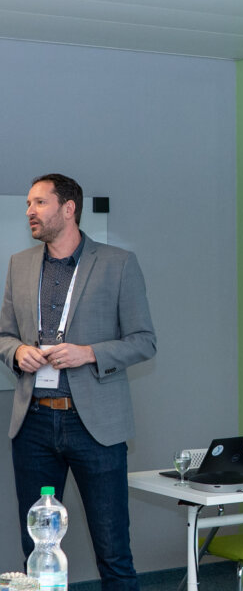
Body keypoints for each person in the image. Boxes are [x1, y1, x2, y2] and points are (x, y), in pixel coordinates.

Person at [0, 173, 156, 591]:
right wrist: (17, 351)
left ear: (68, 209)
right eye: (28, 204)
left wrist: (89, 353)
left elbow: (144, 341)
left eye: (39, 202)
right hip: (33, 424)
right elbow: (4, 334)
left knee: (113, 552)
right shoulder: (19, 264)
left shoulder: (118, 264)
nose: (30, 211)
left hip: (96, 427)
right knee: (37, 552)